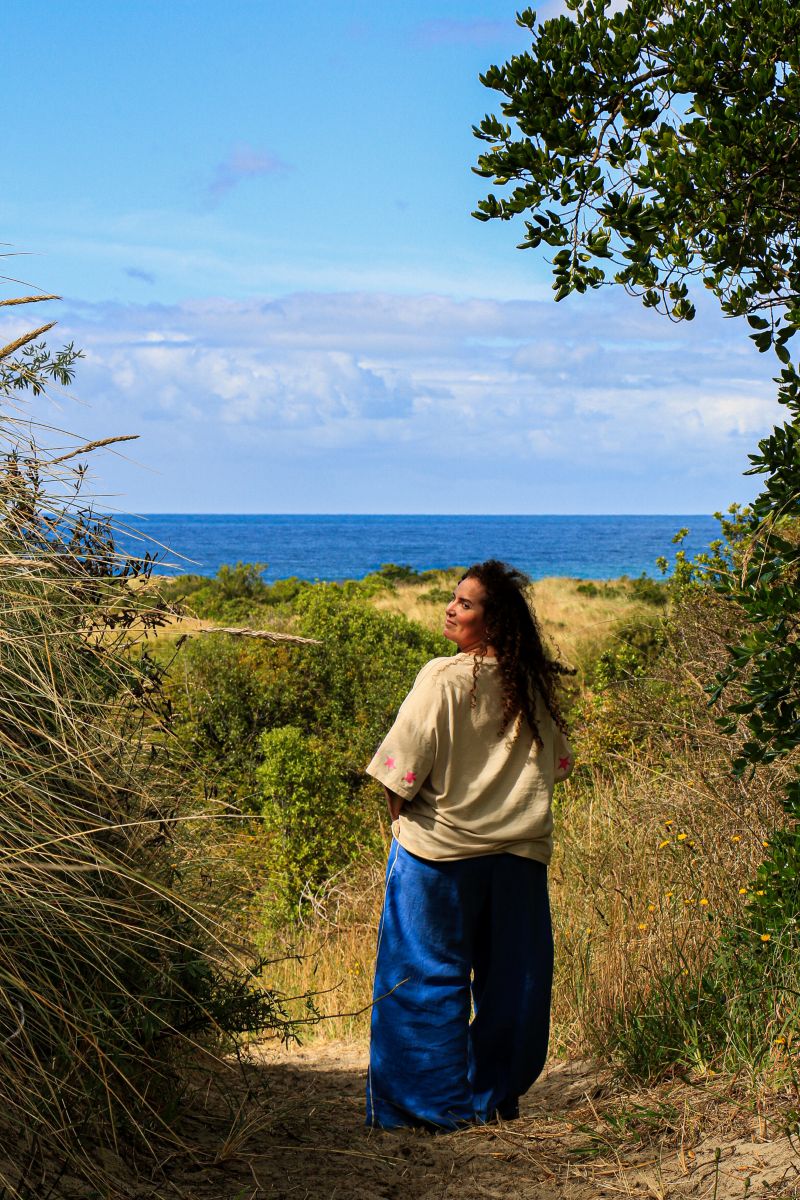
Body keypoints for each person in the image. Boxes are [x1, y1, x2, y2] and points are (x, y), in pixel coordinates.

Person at [364, 559, 574, 1131]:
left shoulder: (442, 677)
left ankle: (424, 1110)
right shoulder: (530, 682)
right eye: (453, 599)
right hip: (518, 857)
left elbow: (399, 774)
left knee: (424, 978)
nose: (452, 608)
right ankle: (492, 1099)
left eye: (467, 603)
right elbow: (557, 768)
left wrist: (400, 829)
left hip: (437, 856)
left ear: (493, 619)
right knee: (515, 984)